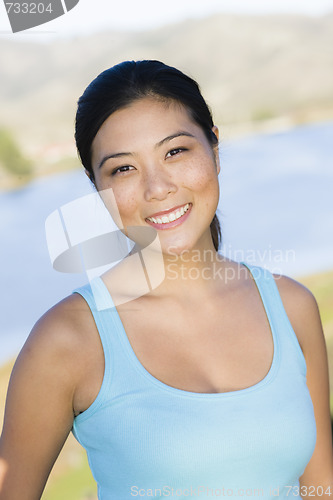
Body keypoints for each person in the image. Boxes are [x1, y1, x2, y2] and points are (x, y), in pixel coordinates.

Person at [0, 60, 332, 499]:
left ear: (214, 148)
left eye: (175, 152)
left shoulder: (292, 306)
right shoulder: (68, 340)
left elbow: (319, 489)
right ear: (96, 186)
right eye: (123, 169)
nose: (157, 188)